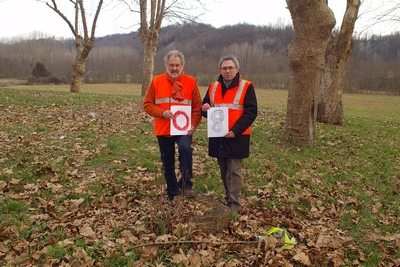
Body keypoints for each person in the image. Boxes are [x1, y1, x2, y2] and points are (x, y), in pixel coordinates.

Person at [143, 50, 202, 201]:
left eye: (177, 65)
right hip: (163, 128)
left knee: (185, 149)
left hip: (184, 129)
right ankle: (173, 192)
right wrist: (162, 112)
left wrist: (194, 125)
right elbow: (147, 104)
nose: (174, 68)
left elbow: (197, 108)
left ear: (182, 65)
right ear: (166, 65)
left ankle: (186, 184)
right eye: (171, 65)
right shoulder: (156, 81)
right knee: (167, 160)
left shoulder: (191, 82)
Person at [201, 55, 258, 212]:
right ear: (220, 70)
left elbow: (251, 112)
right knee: (224, 169)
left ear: (237, 69)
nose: (227, 71)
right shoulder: (213, 86)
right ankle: (228, 198)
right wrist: (204, 109)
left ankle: (234, 205)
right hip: (218, 135)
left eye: (230, 68)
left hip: (237, 136)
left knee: (234, 171)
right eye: (224, 68)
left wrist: (236, 130)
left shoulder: (246, 86)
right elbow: (205, 109)